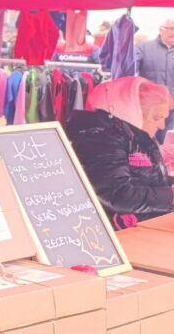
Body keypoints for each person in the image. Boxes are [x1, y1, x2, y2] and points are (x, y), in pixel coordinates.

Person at [64, 77, 174, 229]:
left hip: (143, 227)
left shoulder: (132, 135)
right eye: (157, 118)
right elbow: (117, 194)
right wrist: (169, 196)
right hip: (118, 234)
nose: (162, 126)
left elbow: (148, 178)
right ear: (132, 111)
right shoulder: (100, 138)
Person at [136, 19, 174, 130]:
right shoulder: (143, 48)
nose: (173, 32)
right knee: (147, 137)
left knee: (169, 138)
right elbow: (128, 69)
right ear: (160, 30)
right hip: (150, 108)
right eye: (170, 29)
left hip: (172, 110)